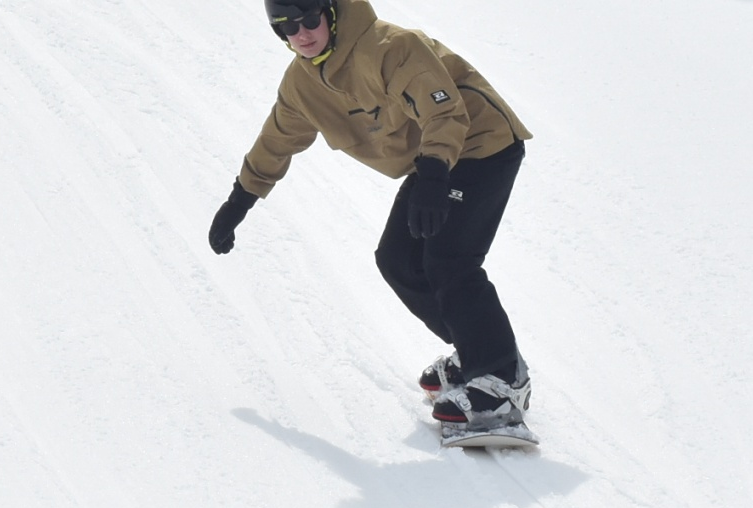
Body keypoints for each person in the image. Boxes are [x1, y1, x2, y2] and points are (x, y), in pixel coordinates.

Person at [210, 0, 534, 433]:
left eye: (310, 19)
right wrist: (240, 200)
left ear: (330, 13)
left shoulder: (391, 46)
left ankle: (503, 381)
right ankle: (480, 350)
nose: (302, 34)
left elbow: (444, 111)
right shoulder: (302, 84)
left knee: (449, 261)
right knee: (398, 260)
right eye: (287, 27)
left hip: (480, 144)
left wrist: (434, 176)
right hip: (433, 163)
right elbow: (278, 139)